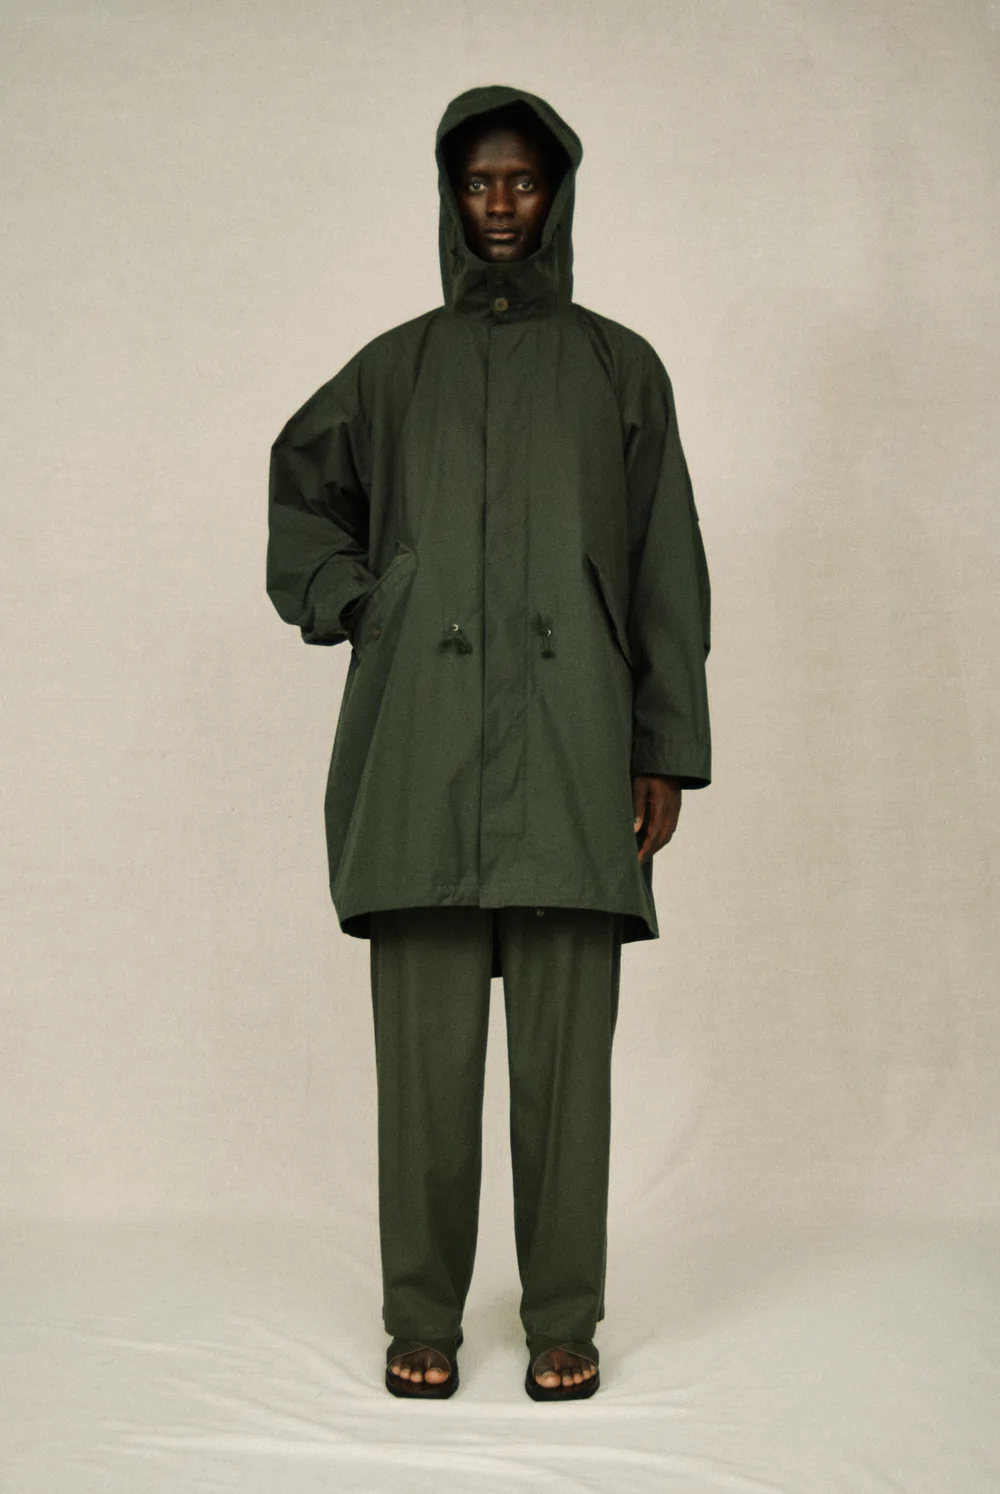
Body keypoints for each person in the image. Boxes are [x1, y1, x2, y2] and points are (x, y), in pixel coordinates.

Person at [266, 84, 711, 1401]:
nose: (501, 204)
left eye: (523, 181)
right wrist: (369, 604)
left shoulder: (620, 369)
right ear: (450, 197)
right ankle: (423, 1316)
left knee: (567, 1071)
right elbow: (301, 492)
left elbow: (666, 568)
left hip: (574, 753)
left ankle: (565, 1315)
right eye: (479, 182)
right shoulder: (394, 369)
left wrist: (664, 744)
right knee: (426, 1070)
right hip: (421, 759)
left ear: (557, 194)